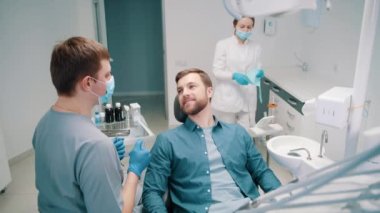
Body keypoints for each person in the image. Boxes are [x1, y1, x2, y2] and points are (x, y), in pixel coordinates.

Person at [32, 36, 151, 213]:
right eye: (107, 75)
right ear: (88, 83)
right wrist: (134, 170)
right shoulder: (95, 145)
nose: (111, 79)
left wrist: (105, 161)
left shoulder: (44, 124)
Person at [142, 68, 280, 212]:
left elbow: (262, 172)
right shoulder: (167, 141)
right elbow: (151, 192)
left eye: (191, 86)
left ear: (209, 92)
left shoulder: (237, 133)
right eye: (180, 90)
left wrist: (281, 198)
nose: (185, 93)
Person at [212, 16, 262, 129]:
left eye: (249, 27)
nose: (245, 30)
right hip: (228, 96)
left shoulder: (256, 47)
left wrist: (258, 73)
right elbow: (217, 71)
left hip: (248, 96)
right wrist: (233, 75)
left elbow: (257, 66)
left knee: (246, 132)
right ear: (235, 25)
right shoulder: (223, 45)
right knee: (227, 132)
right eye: (242, 26)